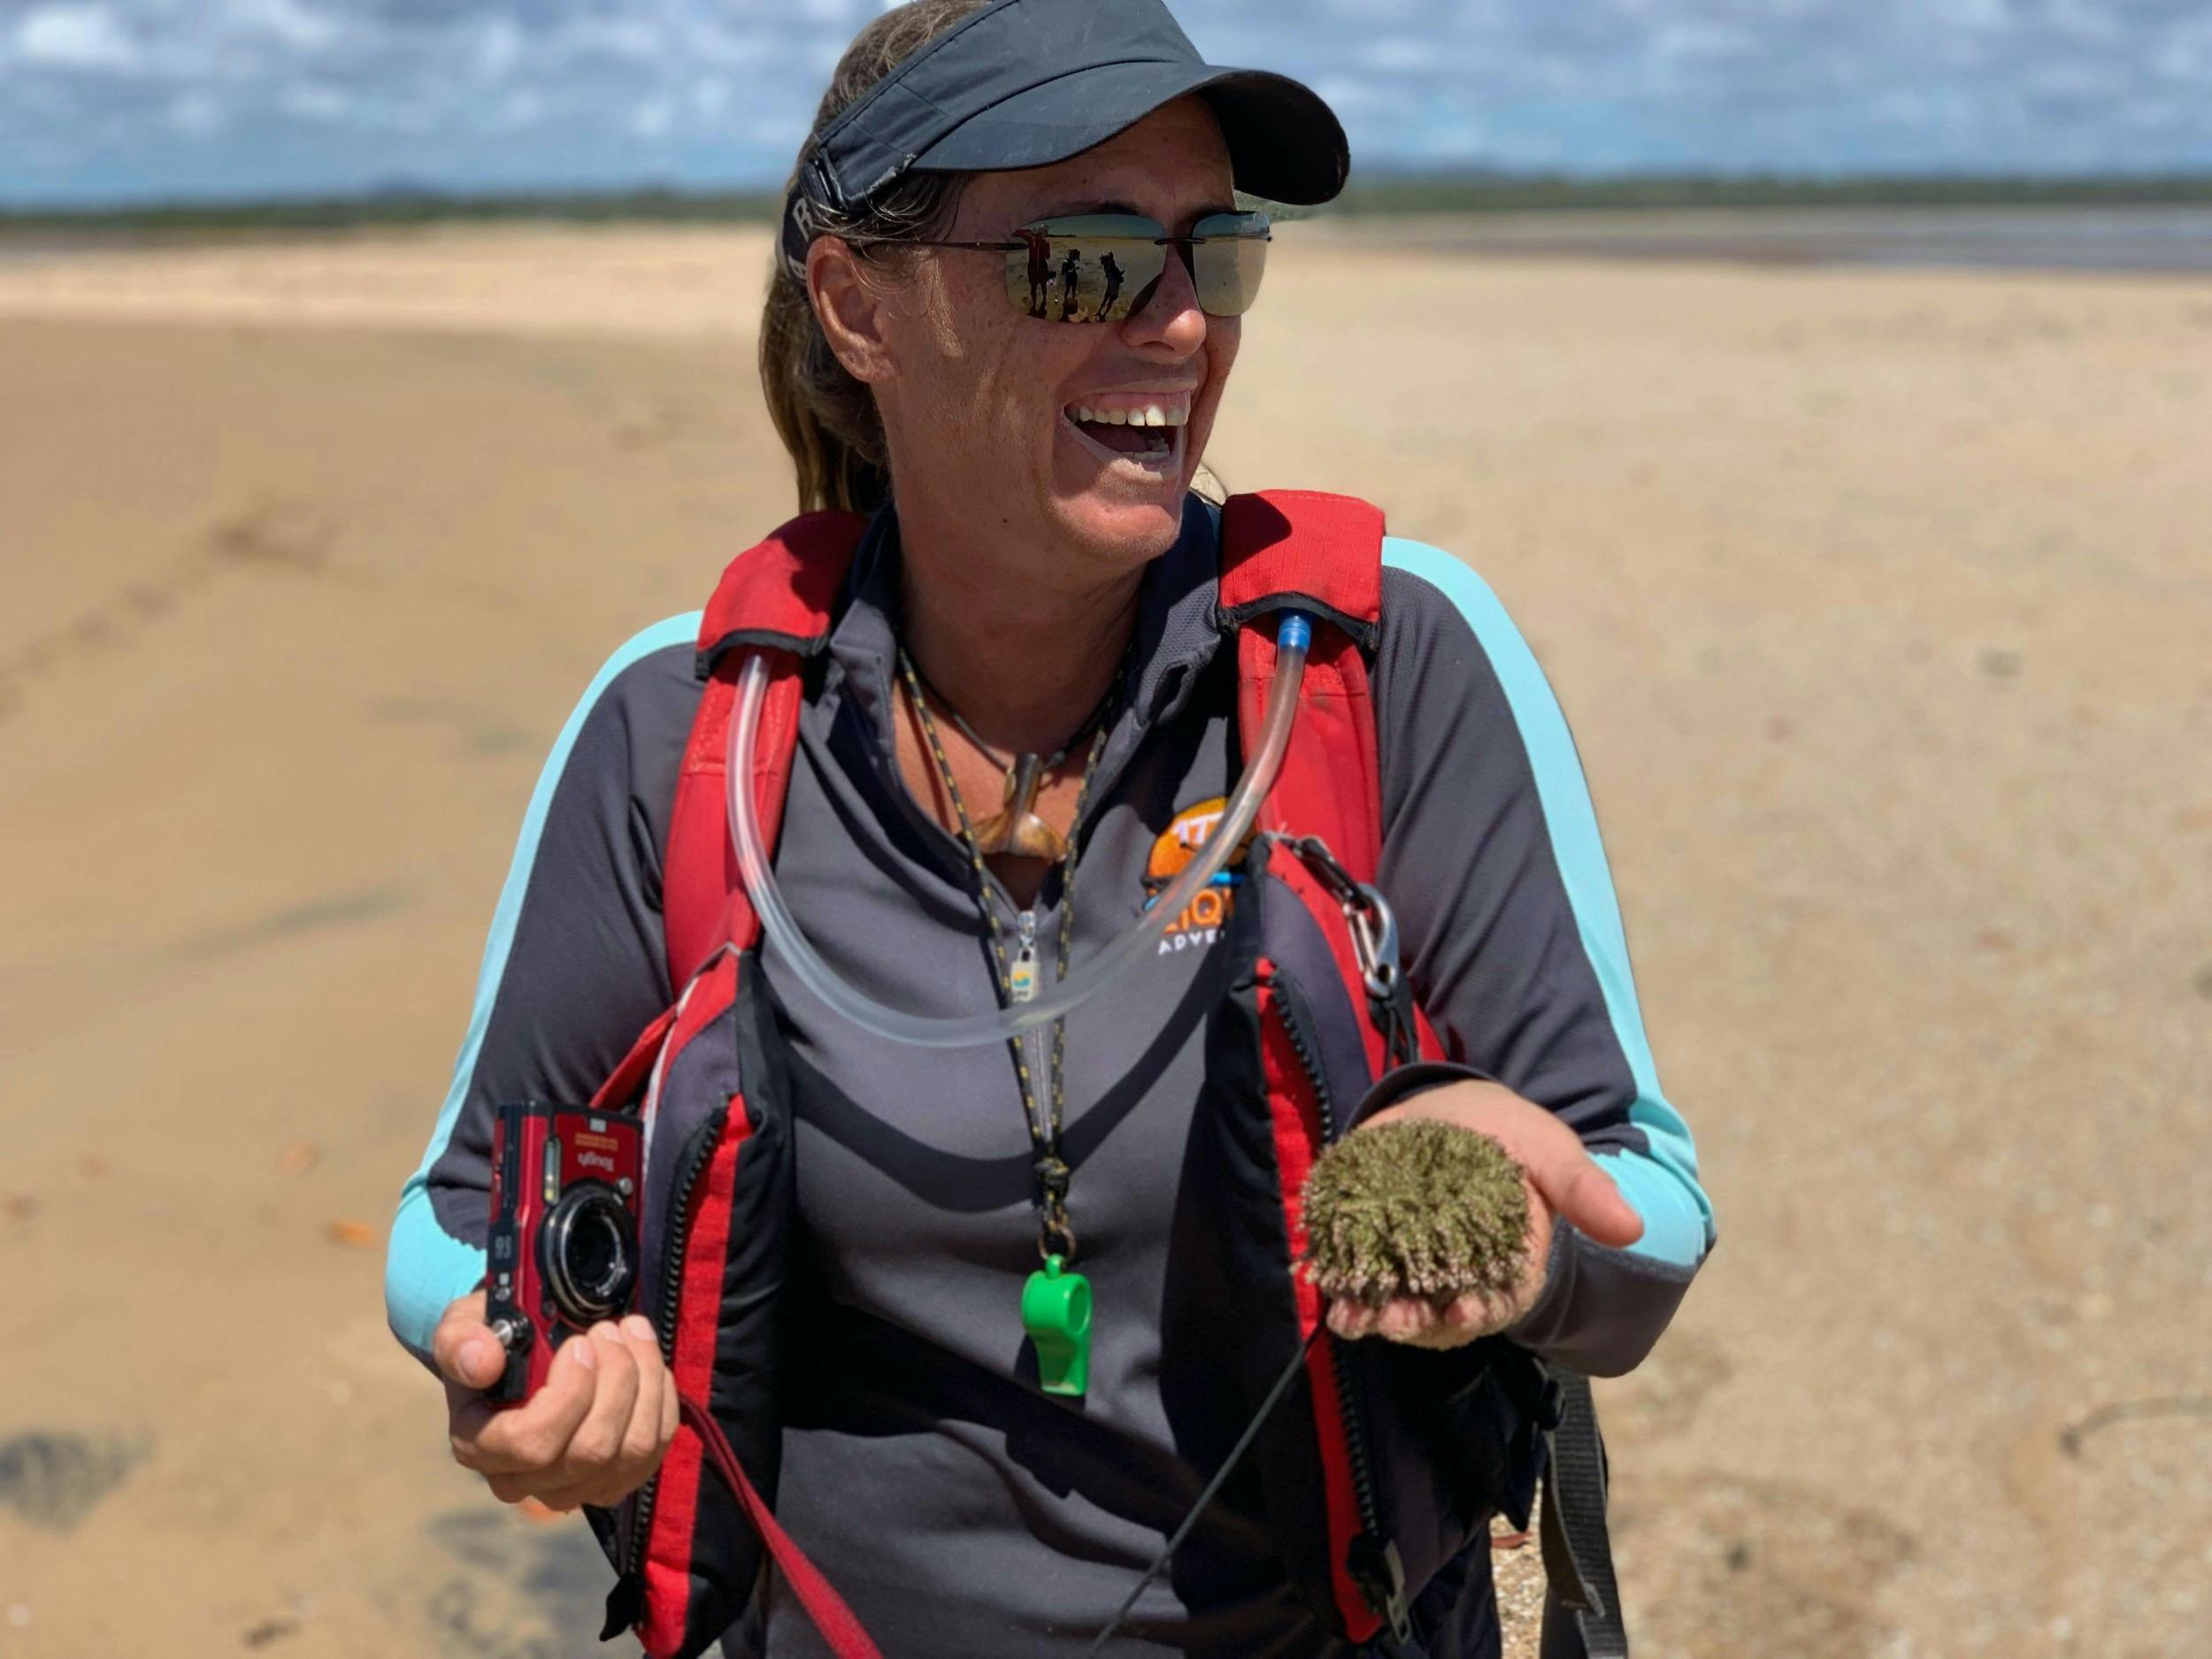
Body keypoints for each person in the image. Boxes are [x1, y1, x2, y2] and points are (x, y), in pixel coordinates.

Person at [382, 1, 1714, 1655]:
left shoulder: (1376, 663)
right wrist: (527, 1360)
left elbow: (1646, 1211)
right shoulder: (689, 732)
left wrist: (1529, 1228)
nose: (1177, 324)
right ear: (863, 309)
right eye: (1081, 262)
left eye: (1215, 256)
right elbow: (449, 1228)